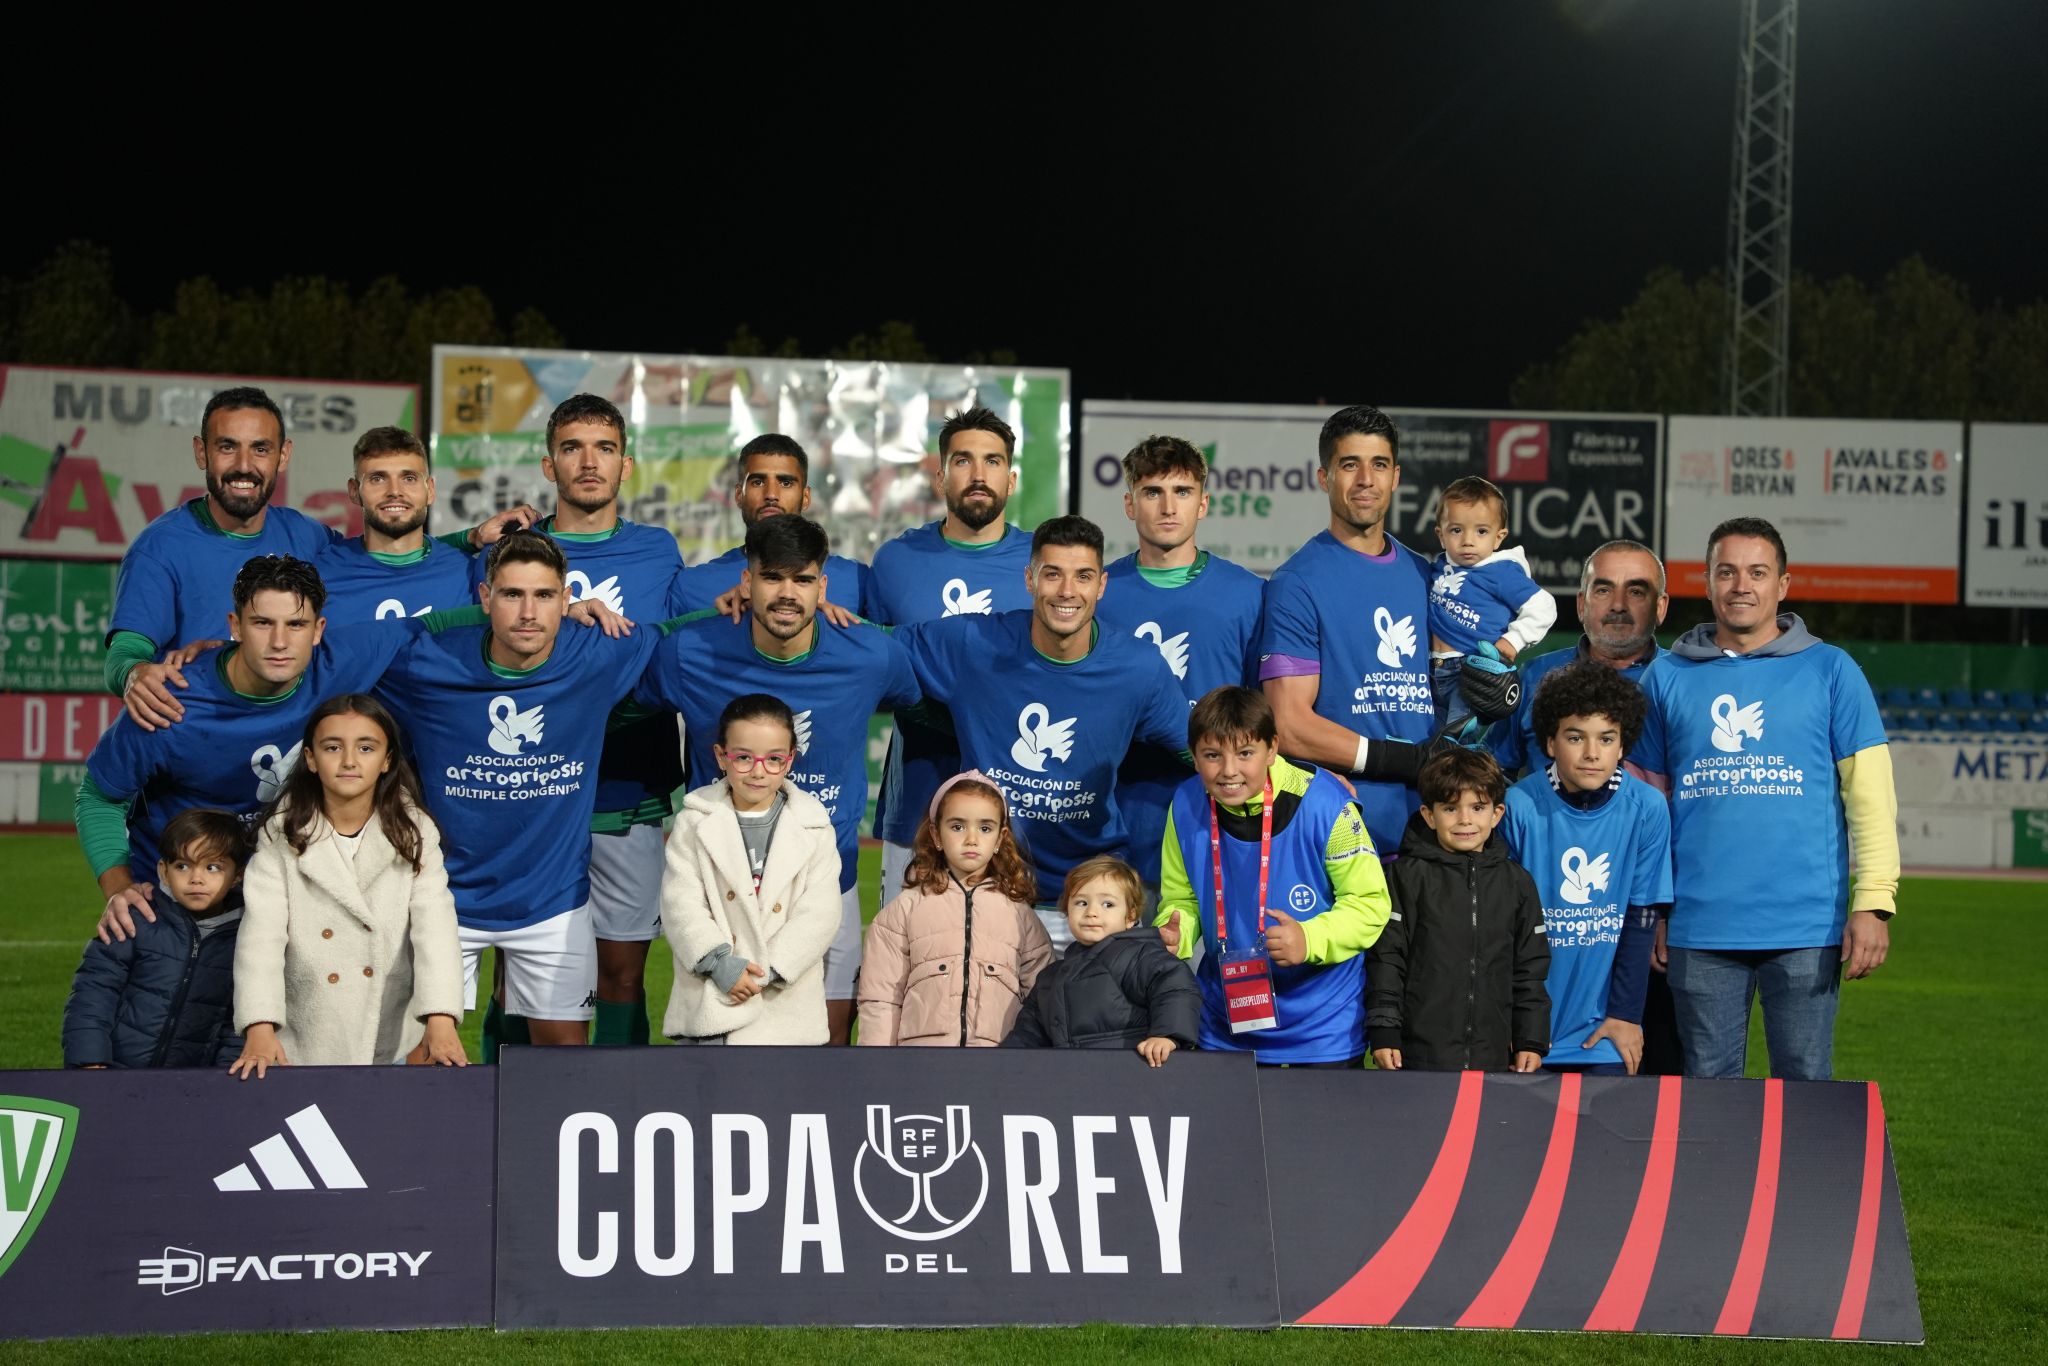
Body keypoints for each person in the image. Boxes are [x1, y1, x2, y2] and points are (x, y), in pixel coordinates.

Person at [634, 515, 919, 1044]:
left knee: (827, 1037)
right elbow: (624, 703)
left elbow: (921, 702)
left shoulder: (870, 655)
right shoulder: (688, 652)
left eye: (803, 580)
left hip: (827, 882)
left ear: (823, 588)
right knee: (714, 1042)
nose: (788, 593)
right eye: (772, 577)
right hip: (719, 893)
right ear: (746, 581)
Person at [1636, 516, 1898, 1081]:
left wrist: (1873, 903)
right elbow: (1648, 808)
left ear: (1782, 584)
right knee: (1708, 1092)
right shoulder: (1664, 676)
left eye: (1757, 572)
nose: (1741, 586)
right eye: (1726, 572)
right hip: (1698, 926)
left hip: (1806, 926)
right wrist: (1652, 909)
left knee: (1804, 1088)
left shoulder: (1832, 670)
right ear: (1707, 582)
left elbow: (1871, 798)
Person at [377, 530, 662, 1047]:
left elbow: (689, 636)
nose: (529, 613)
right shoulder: (425, 660)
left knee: (564, 1062)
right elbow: (319, 655)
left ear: (566, 599)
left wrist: (742, 603)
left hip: (552, 900)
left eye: (544, 596)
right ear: (485, 598)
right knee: (417, 1061)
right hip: (443, 896)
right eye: (512, 595)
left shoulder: (599, 652)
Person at [110, 388, 529, 730]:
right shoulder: (160, 546)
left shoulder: (307, 538)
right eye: (227, 447)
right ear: (202, 453)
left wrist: (466, 540)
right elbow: (126, 650)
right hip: (208, 731)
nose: (244, 465)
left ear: (282, 456)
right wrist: (133, 673)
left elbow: (383, 550)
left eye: (260, 449)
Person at [79, 555, 430, 942]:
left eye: (295, 624)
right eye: (262, 623)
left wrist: (470, 541)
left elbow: (438, 622)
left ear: (318, 630)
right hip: (177, 902)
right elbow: (98, 796)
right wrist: (119, 887)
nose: (279, 642)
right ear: (235, 626)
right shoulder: (170, 703)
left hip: (280, 894)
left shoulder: (342, 660)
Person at [896, 515, 1189, 948]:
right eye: (1053, 574)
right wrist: (819, 619)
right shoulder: (974, 644)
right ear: (1030, 580)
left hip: (1089, 901)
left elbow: (1202, 748)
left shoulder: (1139, 668)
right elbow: (876, 648)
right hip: (990, 892)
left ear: (1102, 585)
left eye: (1083, 576)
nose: (1067, 591)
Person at [518, 393, 691, 1050]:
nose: (589, 463)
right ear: (549, 464)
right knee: (520, 973)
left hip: (628, 790)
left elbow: (682, 636)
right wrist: (561, 615)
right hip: (532, 792)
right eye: (572, 448)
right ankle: (504, 1098)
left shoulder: (658, 550)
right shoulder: (513, 551)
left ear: (626, 465)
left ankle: (624, 1098)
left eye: (605, 448)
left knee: (622, 973)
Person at [1485, 537, 1680, 1074]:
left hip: (1648, 919)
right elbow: (1489, 779)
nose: (1618, 604)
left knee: (1645, 1086)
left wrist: (1669, 912)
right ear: (1581, 601)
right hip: (1543, 931)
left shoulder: (1686, 681)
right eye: (1603, 588)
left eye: (1637, 590)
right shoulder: (1532, 679)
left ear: (1661, 606)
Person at [1155, 686, 1391, 1067]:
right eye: (1212, 755)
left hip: (1322, 1029)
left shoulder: (1327, 803)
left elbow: (1370, 904)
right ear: (1194, 757)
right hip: (1225, 1026)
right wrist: (1176, 933)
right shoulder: (1184, 804)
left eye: (1245, 753)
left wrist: (1310, 938)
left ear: (1272, 749)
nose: (1229, 771)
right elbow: (1182, 899)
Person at [230, 695, 464, 1075]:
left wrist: (441, 1018)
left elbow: (435, 930)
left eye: (366, 748)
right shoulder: (280, 836)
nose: (349, 761)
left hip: (390, 1034)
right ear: (310, 758)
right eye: (333, 747)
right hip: (305, 1035)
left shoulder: (416, 833)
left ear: (387, 760)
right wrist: (259, 1027)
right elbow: (260, 939)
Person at [864, 405, 1036, 909]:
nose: (979, 474)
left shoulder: (1044, 563)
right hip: (917, 804)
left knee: (1011, 953)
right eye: (963, 460)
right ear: (940, 477)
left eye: (993, 461)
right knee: (906, 948)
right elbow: (875, 670)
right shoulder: (896, 561)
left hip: (1019, 815)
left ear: (1011, 478)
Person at [1259, 404, 1438, 861]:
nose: (1365, 480)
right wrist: (1400, 761)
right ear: (1324, 477)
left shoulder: (1425, 575)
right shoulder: (1297, 582)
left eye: (1379, 465)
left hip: (1436, 835)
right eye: (1349, 465)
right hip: (1346, 839)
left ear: (1395, 477)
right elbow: (1289, 725)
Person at [1098, 435, 1265, 897]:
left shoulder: (1248, 595)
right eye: (1152, 492)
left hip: (1223, 826)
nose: (1168, 507)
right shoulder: (1100, 595)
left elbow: (1267, 715)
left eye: (1183, 492)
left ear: (1203, 504)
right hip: (1120, 830)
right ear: (1129, 504)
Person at [1501, 663, 1671, 1075]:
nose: (1592, 753)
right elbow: (1502, 927)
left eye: (1606, 739)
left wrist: (1626, 1015)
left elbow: (1641, 917)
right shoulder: (1519, 805)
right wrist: (1508, 1018)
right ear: (1550, 742)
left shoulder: (1647, 807)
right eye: (1576, 737)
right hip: (1524, 1030)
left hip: (1604, 1034)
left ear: (1623, 745)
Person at [659, 695, 841, 1046]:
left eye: (773, 759)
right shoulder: (694, 820)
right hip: (711, 1006)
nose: (758, 771)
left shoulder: (814, 825)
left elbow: (820, 913)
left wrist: (767, 971)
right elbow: (680, 902)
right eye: (743, 757)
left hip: (785, 1016)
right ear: (721, 756)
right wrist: (719, 963)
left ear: (790, 760)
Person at [1366, 750, 1551, 1075]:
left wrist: (1530, 1039)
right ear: (1429, 815)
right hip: (1417, 1057)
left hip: (1492, 1057)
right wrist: (1384, 1030)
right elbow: (1387, 961)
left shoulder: (1518, 883)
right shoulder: (1404, 877)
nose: (1465, 819)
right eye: (1451, 808)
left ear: (1496, 814)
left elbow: (1530, 971)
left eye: (1477, 808)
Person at [858, 770, 1052, 1047]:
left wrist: (1027, 1061)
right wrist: (878, 1064)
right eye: (958, 826)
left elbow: (1041, 1000)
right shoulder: (902, 911)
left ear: (1000, 839)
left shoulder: (1021, 917)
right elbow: (880, 999)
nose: (971, 838)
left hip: (998, 1061)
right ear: (936, 834)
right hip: (921, 1061)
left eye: (985, 828)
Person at [62, 809, 250, 1069]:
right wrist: (89, 1059)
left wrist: (223, 1079)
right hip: (113, 1072)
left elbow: (237, 1022)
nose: (196, 878)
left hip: (190, 1085)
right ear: (163, 871)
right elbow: (93, 993)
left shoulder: (245, 938)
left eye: (212, 867)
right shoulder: (134, 920)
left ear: (238, 876)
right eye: (182, 866)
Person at [1001, 856, 1199, 1066]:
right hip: (1074, 1077)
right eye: (1081, 903)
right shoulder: (1050, 977)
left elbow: (1174, 986)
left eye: (1108, 904)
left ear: (1131, 916)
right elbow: (1029, 1032)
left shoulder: (1138, 956)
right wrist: (1004, 1063)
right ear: (1067, 910)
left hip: (1132, 1071)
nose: (1091, 912)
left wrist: (1167, 1035)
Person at [672, 432, 871, 613]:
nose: (771, 495)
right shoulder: (692, 586)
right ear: (739, 495)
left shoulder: (859, 582)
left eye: (785, 482)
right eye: (758, 482)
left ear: (806, 497)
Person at [1426, 475, 1556, 735]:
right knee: (1427, 744)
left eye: (1481, 531)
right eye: (1456, 530)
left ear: (1499, 537)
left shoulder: (1501, 572)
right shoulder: (1439, 566)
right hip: (1427, 670)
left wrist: (1512, 642)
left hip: (1469, 672)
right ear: (1441, 535)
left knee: (1455, 741)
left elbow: (1544, 606)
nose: (1468, 540)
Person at [314, 426, 478, 623]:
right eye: (378, 479)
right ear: (354, 491)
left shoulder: (468, 574)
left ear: (430, 490)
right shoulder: (321, 575)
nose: (394, 491)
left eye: (409, 478)